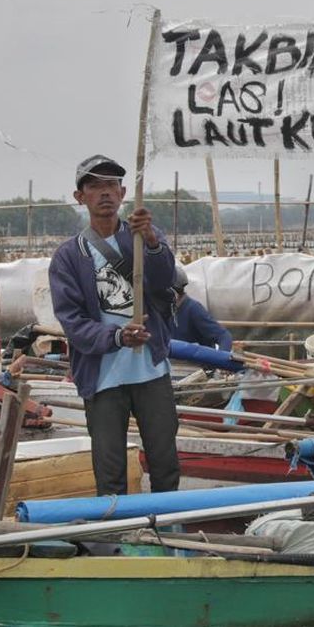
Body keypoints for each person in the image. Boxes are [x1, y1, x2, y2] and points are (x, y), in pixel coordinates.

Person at [49, 154, 180, 495]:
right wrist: (117, 337)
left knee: (165, 463)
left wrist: (152, 242)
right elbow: (72, 322)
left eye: (111, 185)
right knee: (109, 473)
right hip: (104, 376)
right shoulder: (69, 256)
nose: (104, 193)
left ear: (123, 192)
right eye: (94, 186)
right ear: (81, 197)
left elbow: (166, 279)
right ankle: (117, 538)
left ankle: (169, 532)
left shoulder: (142, 236)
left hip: (151, 370)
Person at [171, 266, 232, 351]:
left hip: (193, 363)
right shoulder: (163, 311)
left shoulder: (193, 309)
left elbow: (224, 337)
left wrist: (220, 360)